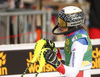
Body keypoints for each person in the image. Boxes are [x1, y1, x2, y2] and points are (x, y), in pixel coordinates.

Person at [42, 6, 92, 77]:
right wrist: (54, 51)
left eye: (62, 23)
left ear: (72, 24)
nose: (59, 26)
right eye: (59, 21)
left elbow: (73, 73)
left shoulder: (78, 42)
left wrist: (55, 62)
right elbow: (70, 55)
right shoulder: (74, 35)